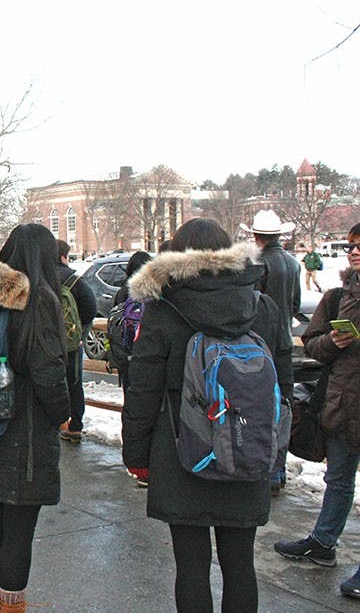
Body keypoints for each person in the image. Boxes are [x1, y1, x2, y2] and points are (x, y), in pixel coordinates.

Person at [122, 218, 293, 613]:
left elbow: (143, 389)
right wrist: (275, 445)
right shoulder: (260, 305)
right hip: (246, 447)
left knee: (192, 567)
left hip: (184, 450)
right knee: (240, 566)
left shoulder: (164, 309)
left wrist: (136, 454)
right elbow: (282, 381)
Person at [0, 225, 70, 612]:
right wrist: (63, 413)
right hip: (26, 427)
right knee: (20, 528)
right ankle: (11, 606)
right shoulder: (37, 298)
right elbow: (47, 369)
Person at [273, 223, 360, 599]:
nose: (355, 251)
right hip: (342, 404)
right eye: (353, 245)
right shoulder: (337, 297)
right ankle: (323, 542)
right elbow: (313, 345)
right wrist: (334, 341)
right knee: (338, 479)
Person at [240, 209, 300, 495]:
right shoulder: (292, 263)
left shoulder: (258, 264)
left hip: (262, 345)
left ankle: (270, 473)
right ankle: (279, 469)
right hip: (285, 342)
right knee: (283, 408)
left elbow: (251, 306)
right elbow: (296, 304)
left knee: (264, 407)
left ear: (256, 235)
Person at [54, 239, 97, 443]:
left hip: (46, 343)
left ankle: (54, 422)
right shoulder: (74, 280)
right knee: (74, 383)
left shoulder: (41, 277)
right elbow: (90, 308)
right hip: (70, 344)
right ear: (63, 256)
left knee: (51, 380)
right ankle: (75, 426)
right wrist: (79, 334)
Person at [111, 250, 153, 399]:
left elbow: (114, 324)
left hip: (126, 354)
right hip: (147, 354)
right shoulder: (152, 292)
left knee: (129, 396)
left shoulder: (123, 291)